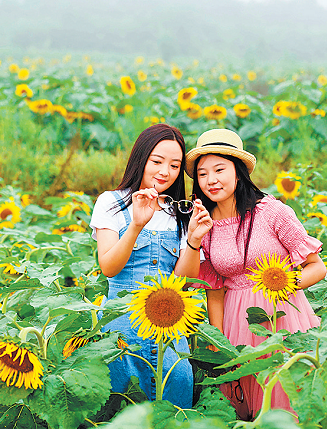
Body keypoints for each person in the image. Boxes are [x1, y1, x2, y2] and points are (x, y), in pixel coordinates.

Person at [183, 129, 327, 419]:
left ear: (238, 173)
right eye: (202, 174)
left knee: (285, 401)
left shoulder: (272, 212)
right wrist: (217, 339)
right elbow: (215, 290)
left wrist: (281, 285)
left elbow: (318, 267)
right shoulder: (205, 225)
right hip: (236, 323)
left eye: (219, 170)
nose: (211, 180)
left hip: (282, 315)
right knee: (246, 408)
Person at [90, 123, 209, 409]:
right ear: (140, 159)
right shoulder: (112, 203)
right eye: (157, 161)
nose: (164, 172)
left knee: (174, 396)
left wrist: (193, 240)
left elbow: (185, 281)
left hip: (170, 324)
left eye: (174, 165)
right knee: (121, 402)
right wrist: (136, 225)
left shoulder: (181, 211)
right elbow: (108, 267)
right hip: (121, 322)